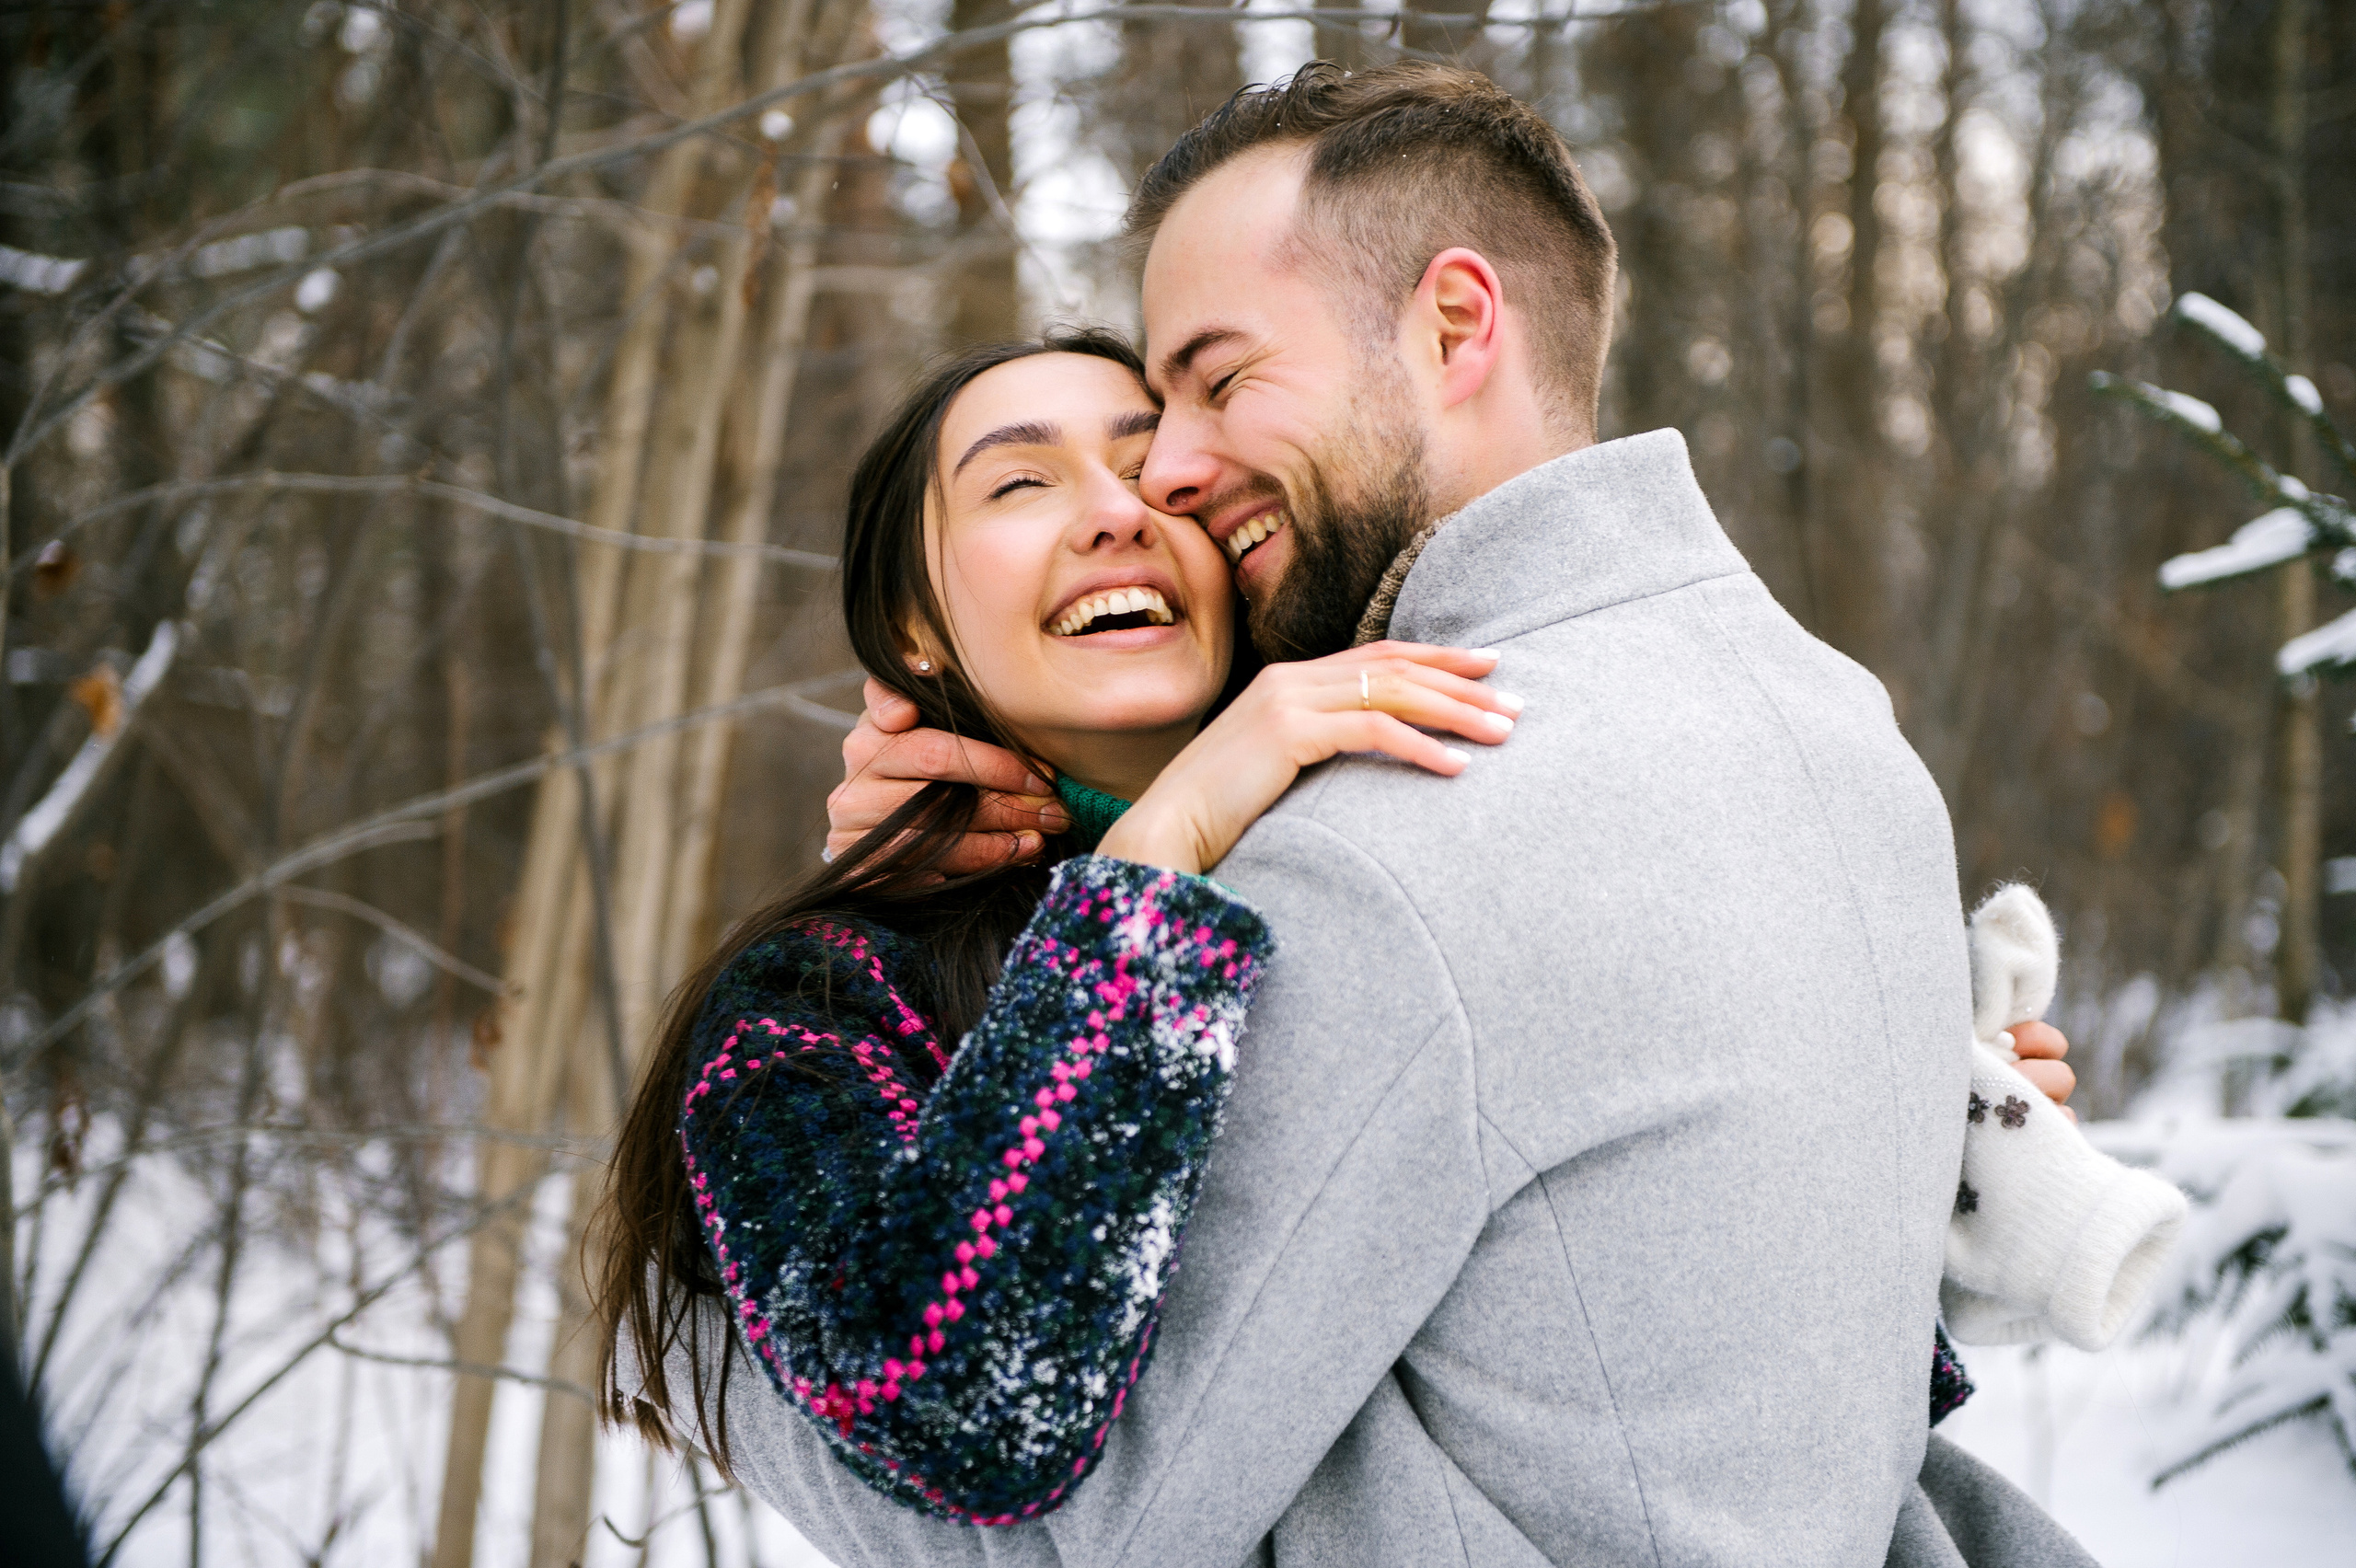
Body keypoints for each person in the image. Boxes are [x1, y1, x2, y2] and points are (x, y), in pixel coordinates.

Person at [616, 60, 2146, 1567]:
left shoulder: (1370, 854)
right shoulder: (1845, 731)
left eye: (1203, 394)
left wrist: (706, 1333)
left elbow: (1075, 1532)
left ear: (1455, 323)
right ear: (914, 631)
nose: (1170, 484)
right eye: (1022, 484)